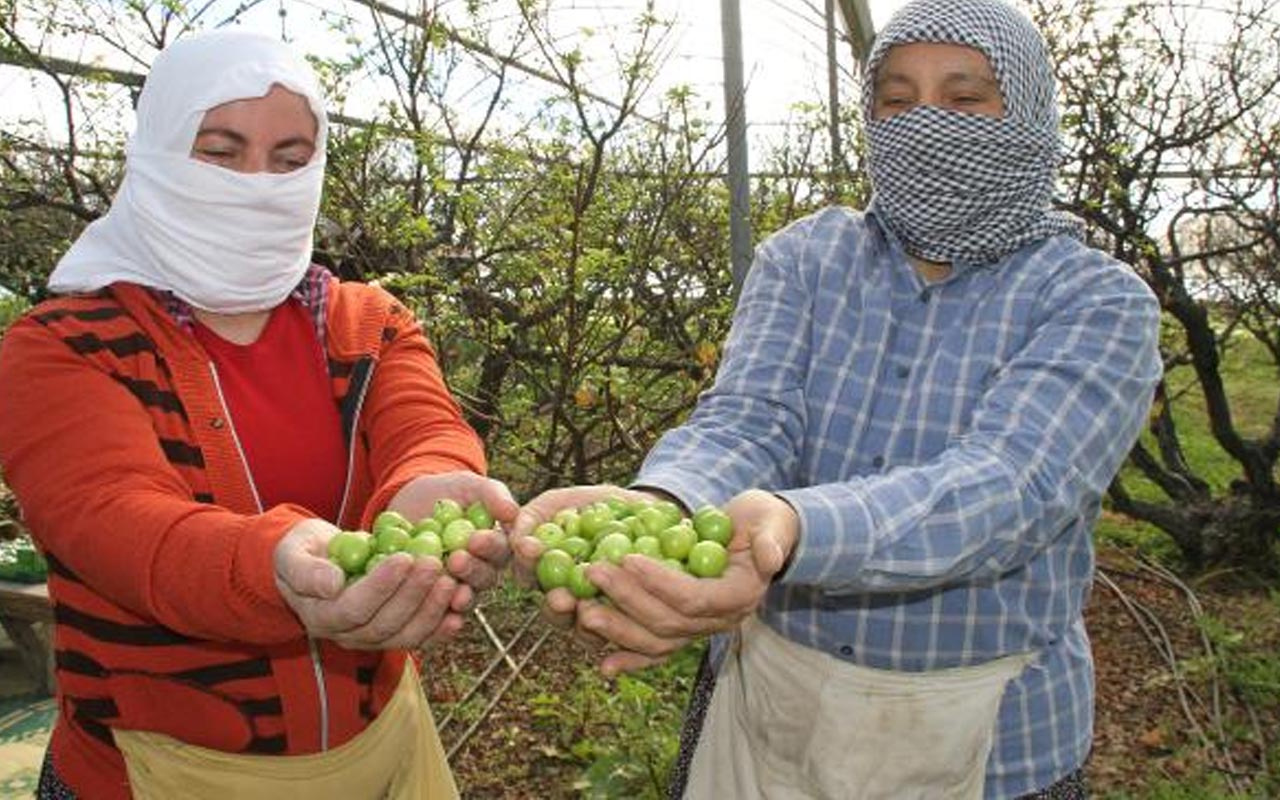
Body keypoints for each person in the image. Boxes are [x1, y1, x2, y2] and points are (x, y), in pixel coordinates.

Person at [512, 1, 1163, 797]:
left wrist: (795, 526)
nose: (924, 124)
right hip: (768, 702)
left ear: (1027, 116)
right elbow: (748, 420)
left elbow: (1011, 485)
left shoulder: (1096, 300)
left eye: (963, 100)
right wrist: (664, 506)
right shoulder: (806, 259)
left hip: (988, 735)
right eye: (896, 100)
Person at [0, 31, 516, 799]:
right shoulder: (62, 348)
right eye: (220, 150)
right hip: (152, 773)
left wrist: (439, 479)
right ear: (159, 150)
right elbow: (115, 519)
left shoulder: (367, 324)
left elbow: (425, 427)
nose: (256, 183)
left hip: (383, 750)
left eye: (289, 159)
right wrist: (276, 565)